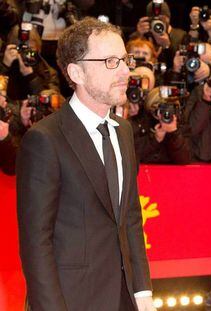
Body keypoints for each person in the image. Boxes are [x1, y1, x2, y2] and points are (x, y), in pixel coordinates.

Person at [16, 17, 154, 311]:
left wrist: (143, 295)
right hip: (70, 301)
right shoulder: (44, 139)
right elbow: (35, 244)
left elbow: (130, 219)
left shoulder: (123, 130)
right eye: (110, 61)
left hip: (124, 298)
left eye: (124, 59)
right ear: (76, 72)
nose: (125, 71)